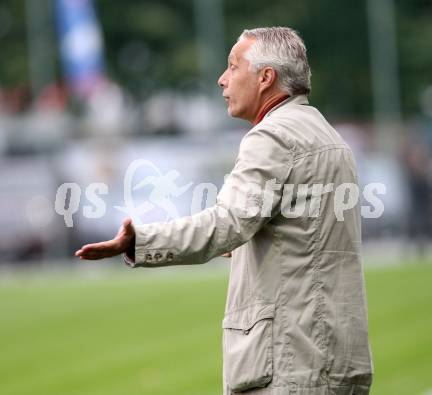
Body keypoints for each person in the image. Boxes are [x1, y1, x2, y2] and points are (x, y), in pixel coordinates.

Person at [76, 27, 373, 394]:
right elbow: (297, 237)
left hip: (290, 360)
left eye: (233, 67)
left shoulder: (272, 136)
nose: (222, 79)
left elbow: (227, 223)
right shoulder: (331, 139)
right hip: (339, 356)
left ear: (266, 78)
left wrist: (141, 242)